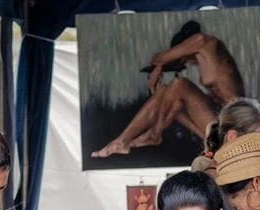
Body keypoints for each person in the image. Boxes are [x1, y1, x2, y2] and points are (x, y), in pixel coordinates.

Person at [91, 20, 244, 158]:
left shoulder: (202, 41)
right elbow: (170, 104)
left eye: (184, 57)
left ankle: (153, 133)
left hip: (232, 125)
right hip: (214, 128)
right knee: (166, 91)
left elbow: (157, 58)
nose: (188, 62)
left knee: (180, 84)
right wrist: (158, 93)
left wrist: (159, 66)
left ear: (187, 45)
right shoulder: (209, 56)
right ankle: (122, 140)